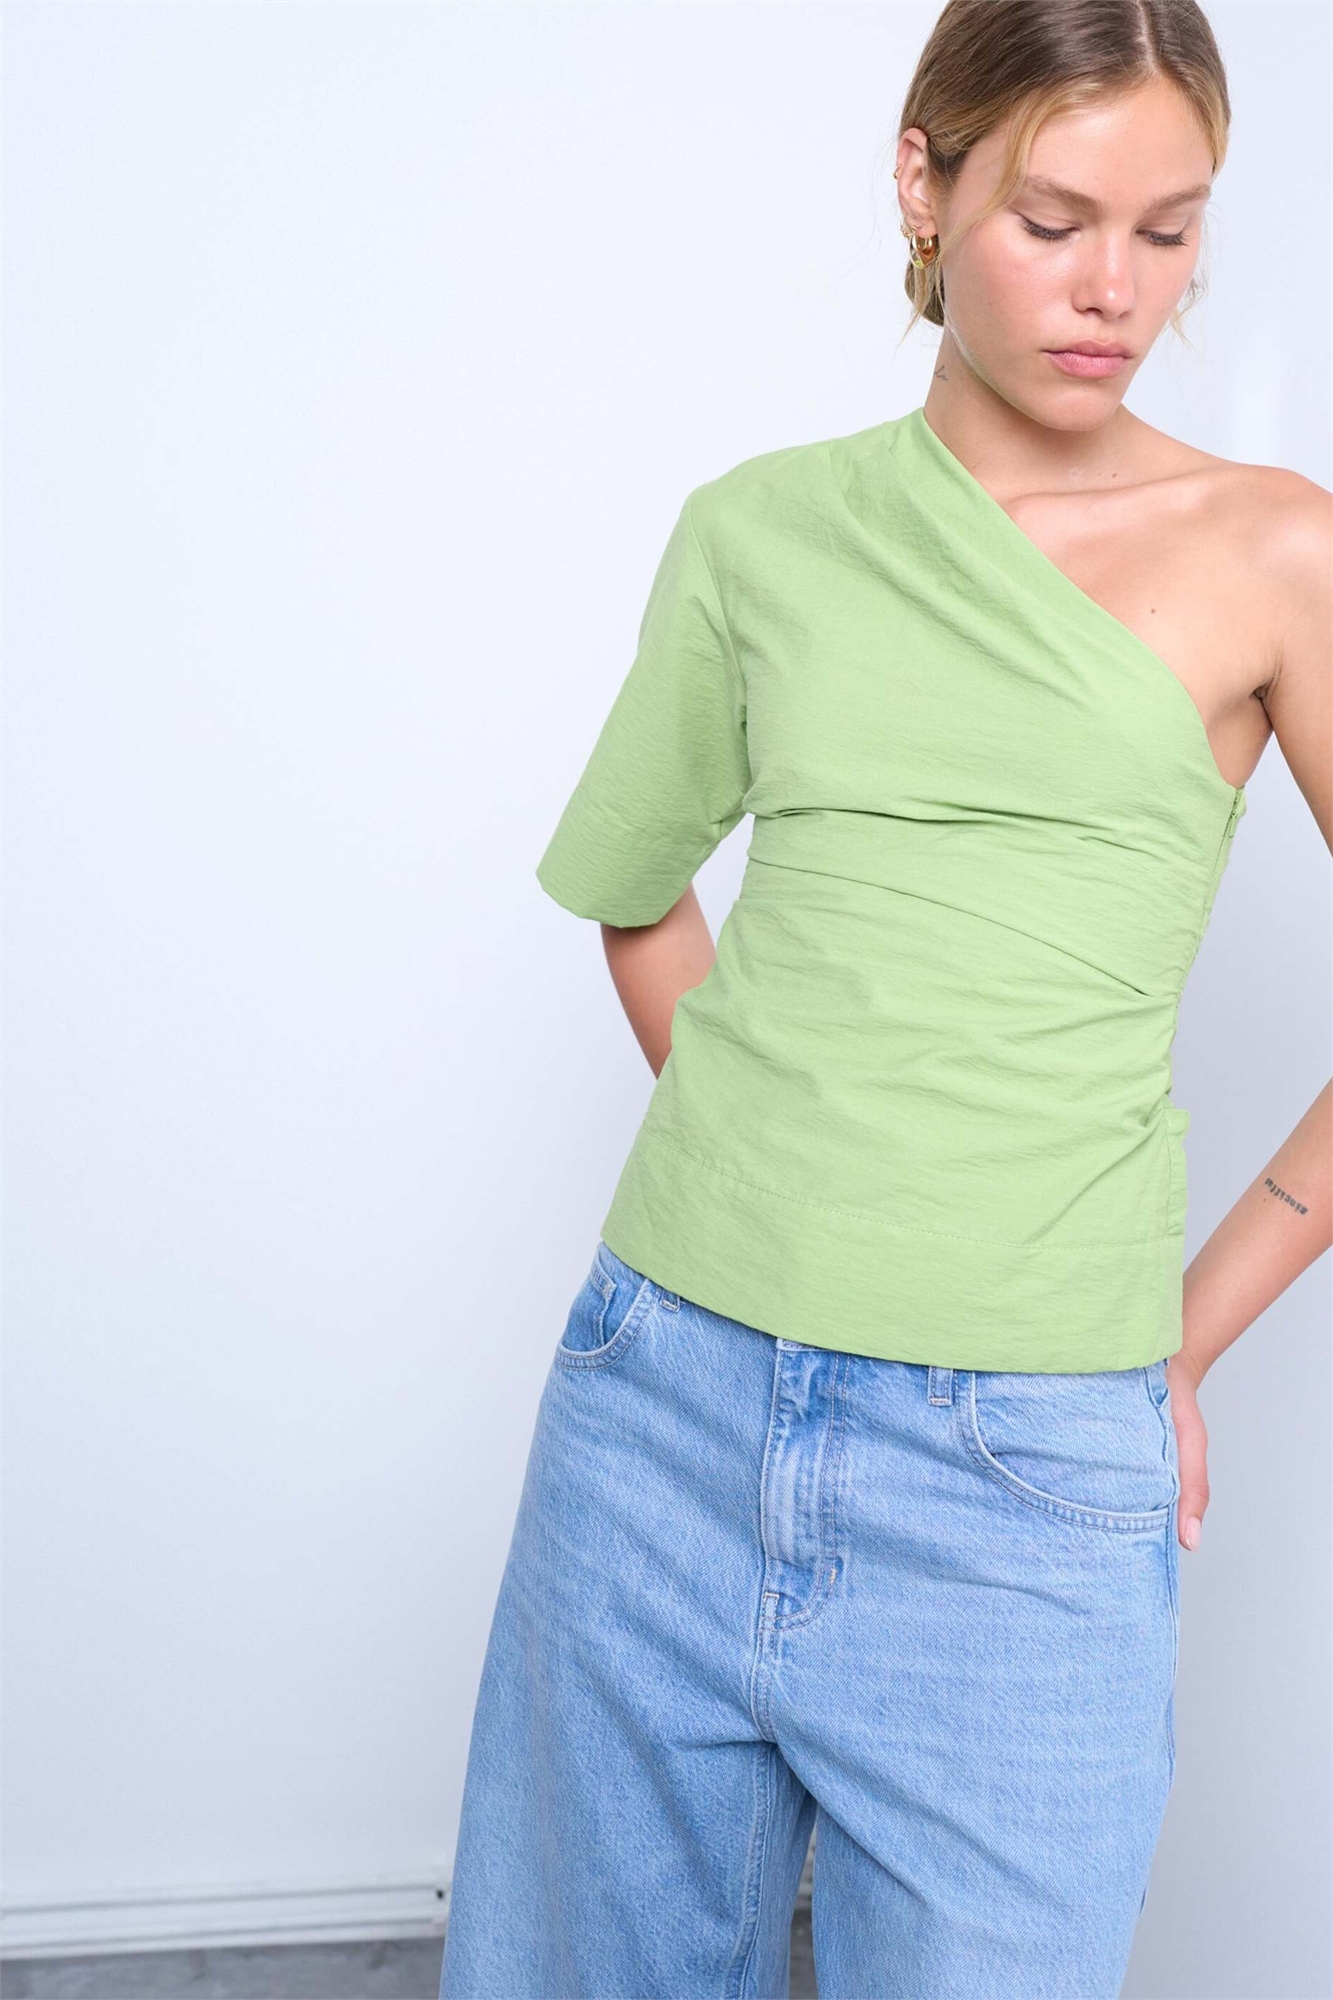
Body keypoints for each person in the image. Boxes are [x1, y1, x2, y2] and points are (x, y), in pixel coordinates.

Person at [439, 2, 1331, 1994]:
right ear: (923, 183)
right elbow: (635, 894)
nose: (1115, 291)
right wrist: (786, 1166)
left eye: (1168, 230)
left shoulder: (1273, 552)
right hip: (660, 1397)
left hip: (1025, 1461)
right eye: (1053, 219)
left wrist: (1176, 1342)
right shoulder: (759, 530)